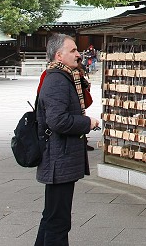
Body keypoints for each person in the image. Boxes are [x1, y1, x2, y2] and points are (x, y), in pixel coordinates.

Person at [34, 33, 100, 246]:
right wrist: (87, 123)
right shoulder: (56, 79)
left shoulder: (66, 76)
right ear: (58, 55)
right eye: (72, 51)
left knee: (52, 216)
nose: (78, 54)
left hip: (61, 157)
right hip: (58, 158)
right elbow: (57, 121)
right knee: (58, 221)